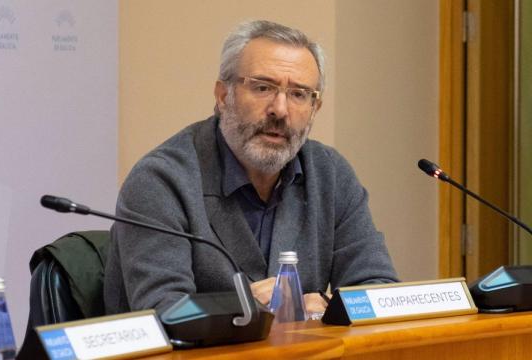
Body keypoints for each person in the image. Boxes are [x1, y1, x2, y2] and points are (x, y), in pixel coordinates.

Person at [104, 20, 398, 316]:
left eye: (298, 94)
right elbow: (162, 310)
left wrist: (328, 304)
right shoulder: (161, 181)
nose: (280, 110)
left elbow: (378, 289)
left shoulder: (330, 174)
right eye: (262, 87)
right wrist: (242, 306)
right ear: (223, 96)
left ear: (314, 109)